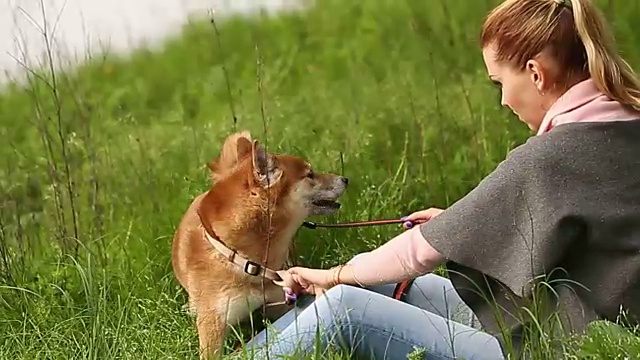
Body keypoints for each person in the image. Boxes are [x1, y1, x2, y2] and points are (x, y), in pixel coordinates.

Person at [244, 0, 640, 358]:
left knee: (344, 306)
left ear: (536, 73)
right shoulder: (623, 125)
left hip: (565, 346)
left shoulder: (549, 156)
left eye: (500, 83)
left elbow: (418, 253)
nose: (503, 101)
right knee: (376, 288)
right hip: (587, 326)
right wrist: (458, 224)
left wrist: (331, 275)